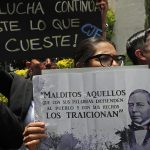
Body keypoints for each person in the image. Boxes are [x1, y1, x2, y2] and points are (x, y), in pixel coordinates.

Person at [23, 37, 126, 150]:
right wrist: (35, 146)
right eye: (104, 58)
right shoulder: (57, 107)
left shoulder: (131, 103)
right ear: (80, 66)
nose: (115, 64)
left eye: (117, 58)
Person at [0, 69, 33, 149]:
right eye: (41, 59)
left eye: (53, 59)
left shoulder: (67, 86)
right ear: (29, 65)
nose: (48, 62)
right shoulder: (20, 85)